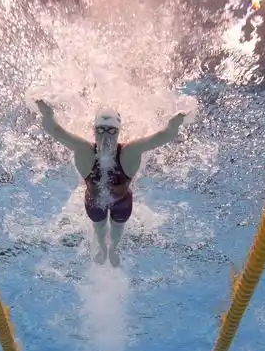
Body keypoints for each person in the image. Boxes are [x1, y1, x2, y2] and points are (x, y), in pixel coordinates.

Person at [36, 100, 186, 267]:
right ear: (94, 131)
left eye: (111, 130)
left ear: (118, 132)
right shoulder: (84, 151)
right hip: (94, 202)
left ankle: (113, 248)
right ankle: (102, 248)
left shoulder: (129, 152)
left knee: (117, 229)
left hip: (122, 202)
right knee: (99, 228)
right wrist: (47, 113)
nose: (106, 135)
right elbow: (55, 130)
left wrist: (175, 122)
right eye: (100, 129)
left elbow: (163, 136)